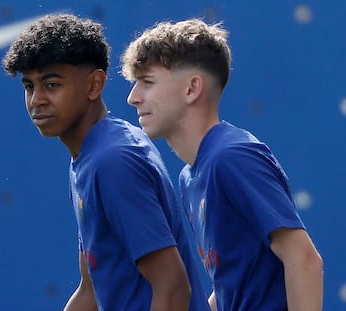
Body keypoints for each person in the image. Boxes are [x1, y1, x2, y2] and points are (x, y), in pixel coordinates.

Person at [2, 14, 210, 311]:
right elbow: (89, 292)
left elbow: (173, 288)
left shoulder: (112, 161)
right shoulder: (91, 157)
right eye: (29, 86)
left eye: (51, 84)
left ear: (94, 84)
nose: (36, 100)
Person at [121, 18, 323, 311]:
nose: (132, 98)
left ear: (192, 88)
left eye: (147, 82)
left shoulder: (231, 157)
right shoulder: (190, 176)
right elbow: (231, 284)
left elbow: (303, 258)